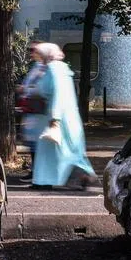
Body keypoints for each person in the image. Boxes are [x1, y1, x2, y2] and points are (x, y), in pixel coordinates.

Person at [30, 42, 97, 190]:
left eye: (40, 54)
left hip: (58, 118)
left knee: (56, 150)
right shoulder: (61, 69)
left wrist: (55, 119)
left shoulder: (53, 69)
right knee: (67, 150)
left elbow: (57, 95)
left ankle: (45, 180)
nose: (38, 57)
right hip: (67, 117)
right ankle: (79, 176)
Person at [16, 43, 48, 183]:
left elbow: (39, 88)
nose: (31, 52)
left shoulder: (44, 68)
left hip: (38, 111)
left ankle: (38, 173)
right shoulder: (36, 67)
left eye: (34, 50)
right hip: (32, 110)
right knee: (33, 143)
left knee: (37, 143)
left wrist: (26, 90)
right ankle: (35, 171)